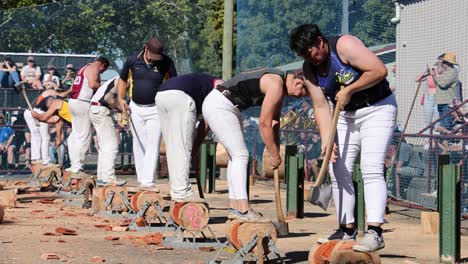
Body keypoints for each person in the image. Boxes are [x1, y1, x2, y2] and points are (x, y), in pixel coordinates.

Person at [289, 24, 397, 252]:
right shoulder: (309, 69)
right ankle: (346, 229)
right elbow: (319, 106)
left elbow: (378, 70)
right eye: (304, 56)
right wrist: (327, 140)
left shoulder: (344, 45)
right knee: (337, 167)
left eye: (311, 53)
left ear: (320, 41)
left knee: (371, 167)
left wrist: (350, 89)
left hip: (377, 108)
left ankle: (375, 232)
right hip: (345, 115)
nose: (311, 59)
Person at [202, 68, 308, 221]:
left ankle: (235, 207)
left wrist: (276, 149)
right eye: (302, 92)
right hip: (220, 105)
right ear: (299, 81)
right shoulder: (276, 84)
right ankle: (243, 210)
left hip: (227, 106)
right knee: (241, 156)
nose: (298, 97)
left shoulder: (279, 85)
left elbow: (274, 122)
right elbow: (264, 123)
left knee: (235, 157)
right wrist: (274, 154)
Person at [118, 38, 177, 189]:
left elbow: (174, 83)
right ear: (145, 48)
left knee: (153, 144)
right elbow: (123, 79)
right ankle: (141, 179)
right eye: (152, 55)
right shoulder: (132, 60)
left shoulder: (166, 62)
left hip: (156, 109)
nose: (155, 60)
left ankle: (148, 182)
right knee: (138, 144)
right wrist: (120, 98)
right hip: (135, 108)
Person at [155, 73, 223, 201]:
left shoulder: (203, 86)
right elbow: (206, 122)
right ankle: (182, 193)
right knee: (182, 147)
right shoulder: (221, 88)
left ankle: (176, 189)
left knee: (173, 146)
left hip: (161, 95)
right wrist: (195, 147)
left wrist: (195, 146)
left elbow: (196, 121)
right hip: (180, 96)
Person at [67, 57, 109, 174]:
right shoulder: (94, 68)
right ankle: (77, 166)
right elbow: (92, 84)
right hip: (82, 102)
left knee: (75, 134)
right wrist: (104, 86)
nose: (102, 72)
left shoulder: (84, 67)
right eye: (104, 69)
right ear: (102, 64)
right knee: (83, 135)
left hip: (74, 101)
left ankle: (73, 164)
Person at [89, 76, 126, 186]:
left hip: (95, 109)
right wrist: (121, 109)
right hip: (101, 110)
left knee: (104, 147)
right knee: (111, 145)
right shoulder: (124, 81)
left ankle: (102, 178)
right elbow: (108, 98)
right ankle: (109, 178)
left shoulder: (113, 79)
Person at [23, 83, 71, 166]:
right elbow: (62, 95)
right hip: (38, 112)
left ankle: (36, 158)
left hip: (30, 112)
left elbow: (57, 120)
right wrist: (71, 89)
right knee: (45, 137)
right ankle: (45, 161)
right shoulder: (51, 93)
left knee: (36, 136)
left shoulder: (53, 99)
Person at [430, 52, 459, 131]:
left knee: (447, 125)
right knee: (442, 125)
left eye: (442, 62)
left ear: (446, 63)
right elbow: (437, 84)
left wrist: (435, 74)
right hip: (441, 101)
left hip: (447, 102)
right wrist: (434, 76)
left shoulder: (452, 71)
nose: (441, 64)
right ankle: (444, 142)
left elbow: (443, 84)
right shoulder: (445, 72)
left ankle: (450, 141)